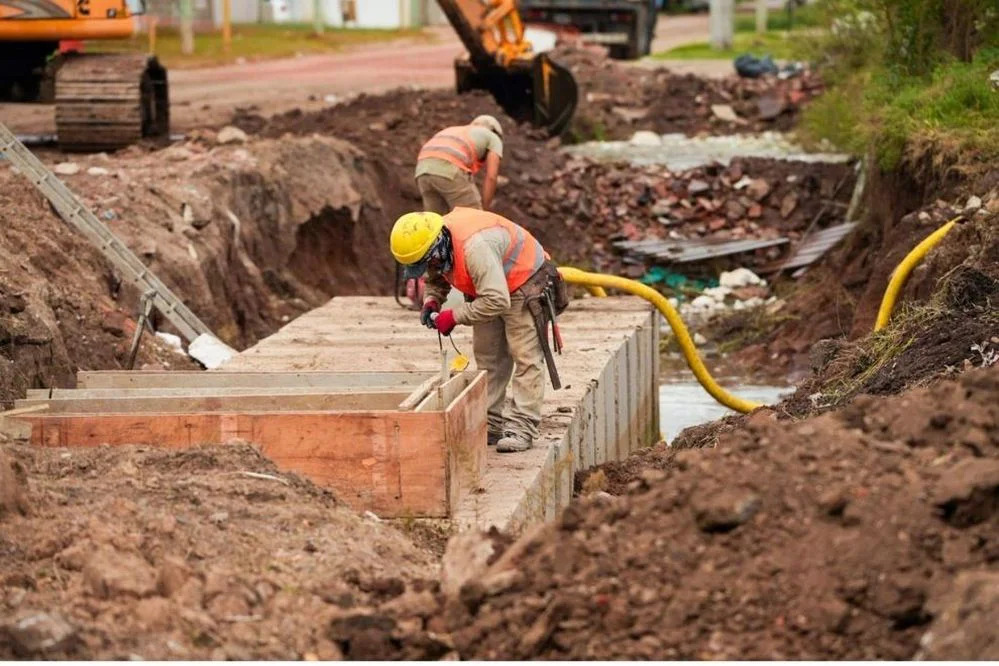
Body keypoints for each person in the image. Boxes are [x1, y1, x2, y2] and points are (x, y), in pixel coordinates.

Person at [390, 207, 553, 453]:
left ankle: (523, 426)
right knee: (488, 356)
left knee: (525, 356)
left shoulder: (475, 248)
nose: (427, 267)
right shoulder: (436, 243)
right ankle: (491, 424)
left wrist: (454, 316)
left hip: (523, 280)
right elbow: (436, 275)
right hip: (489, 286)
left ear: (434, 249)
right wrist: (432, 300)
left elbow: (497, 301)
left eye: (426, 262)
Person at [414, 115, 504, 214]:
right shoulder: (493, 137)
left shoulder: (455, 130)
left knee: (435, 222)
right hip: (449, 169)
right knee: (473, 218)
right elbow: (491, 177)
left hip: (422, 171)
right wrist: (485, 209)